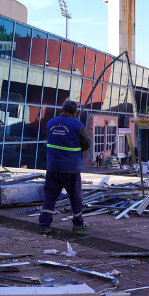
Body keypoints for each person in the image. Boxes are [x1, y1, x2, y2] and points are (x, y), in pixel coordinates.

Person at [39, 100, 92, 234]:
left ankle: (44, 225)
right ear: (75, 112)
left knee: (49, 197)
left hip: (53, 167)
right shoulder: (78, 125)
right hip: (70, 169)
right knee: (75, 197)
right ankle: (78, 225)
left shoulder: (50, 123)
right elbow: (86, 144)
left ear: (62, 109)